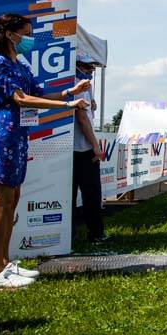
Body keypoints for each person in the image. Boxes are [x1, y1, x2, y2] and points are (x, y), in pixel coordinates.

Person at [0, 14, 90, 290]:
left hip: (18, 136)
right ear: (8, 33)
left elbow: (39, 94)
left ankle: (5, 262)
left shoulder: (20, 63)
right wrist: (68, 107)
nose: (29, 39)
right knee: (1, 200)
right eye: (25, 34)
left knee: (13, 199)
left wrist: (68, 93)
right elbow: (21, 99)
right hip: (2, 135)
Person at [71, 60, 107, 244]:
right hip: (83, 148)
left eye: (93, 67)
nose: (92, 70)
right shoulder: (78, 85)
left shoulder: (84, 85)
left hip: (78, 147)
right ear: (77, 66)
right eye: (87, 66)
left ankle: (76, 235)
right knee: (91, 194)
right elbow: (82, 118)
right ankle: (95, 233)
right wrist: (95, 145)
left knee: (82, 195)